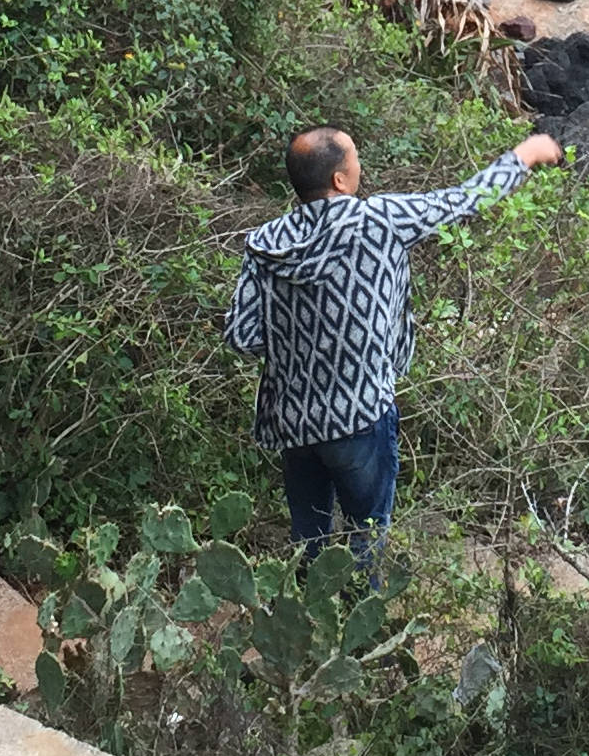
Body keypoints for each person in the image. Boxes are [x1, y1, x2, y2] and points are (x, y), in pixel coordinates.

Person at [224, 126, 564, 560]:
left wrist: (299, 344)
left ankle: (309, 617)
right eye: (354, 159)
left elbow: (242, 336)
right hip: (361, 415)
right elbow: (465, 200)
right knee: (367, 536)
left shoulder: (266, 243)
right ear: (339, 181)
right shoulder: (380, 220)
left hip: (293, 421)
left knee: (308, 544)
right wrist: (525, 154)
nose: (359, 166)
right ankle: (360, 614)